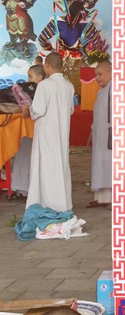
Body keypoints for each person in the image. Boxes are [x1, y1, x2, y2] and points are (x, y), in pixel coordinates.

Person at [24, 51, 74, 213]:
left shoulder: (45, 85)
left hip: (46, 134)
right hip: (61, 133)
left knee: (45, 168)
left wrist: (28, 109)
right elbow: (71, 110)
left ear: (47, 66)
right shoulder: (69, 86)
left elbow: (38, 110)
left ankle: (46, 204)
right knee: (60, 166)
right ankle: (63, 204)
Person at [10, 65, 45, 200]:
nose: (28, 80)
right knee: (23, 157)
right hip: (26, 130)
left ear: (40, 77)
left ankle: (30, 189)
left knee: (32, 159)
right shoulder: (28, 91)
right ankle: (20, 188)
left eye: (30, 76)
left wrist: (28, 109)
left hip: (36, 131)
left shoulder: (42, 91)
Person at [88, 60, 112, 208]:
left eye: (100, 74)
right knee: (100, 163)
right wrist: (93, 128)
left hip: (110, 134)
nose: (97, 78)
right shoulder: (101, 91)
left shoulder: (114, 89)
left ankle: (112, 198)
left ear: (110, 73)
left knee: (109, 164)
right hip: (100, 134)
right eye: (96, 75)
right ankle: (101, 198)